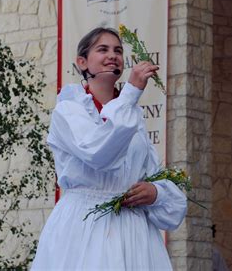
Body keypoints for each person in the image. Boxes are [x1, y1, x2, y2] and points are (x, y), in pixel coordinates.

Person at [31, 27, 187, 270]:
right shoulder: (69, 111)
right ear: (82, 62)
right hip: (85, 227)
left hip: (134, 235)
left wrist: (154, 192)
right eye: (102, 49)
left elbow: (157, 177)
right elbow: (98, 153)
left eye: (118, 50)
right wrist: (131, 92)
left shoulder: (133, 117)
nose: (112, 55)